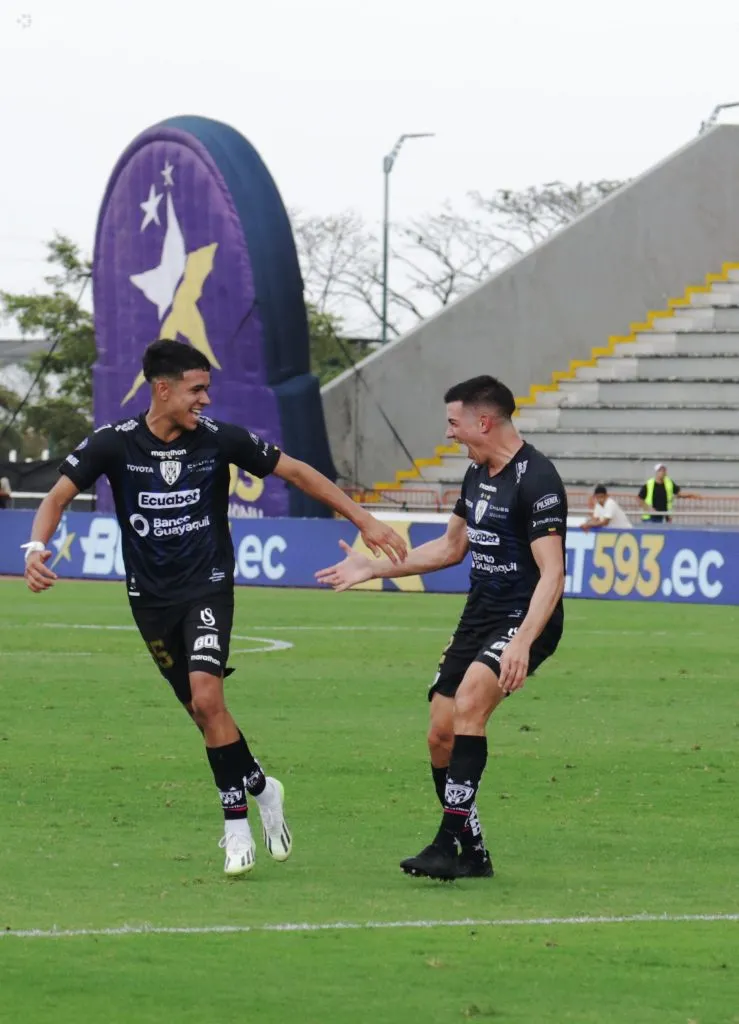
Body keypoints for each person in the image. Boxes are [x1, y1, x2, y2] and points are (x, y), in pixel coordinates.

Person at [22, 339, 407, 878]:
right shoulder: (113, 443)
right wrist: (36, 549)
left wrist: (363, 520)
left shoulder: (219, 439)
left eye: (207, 389)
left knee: (208, 697)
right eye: (196, 389)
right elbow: (56, 497)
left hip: (206, 590)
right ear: (163, 389)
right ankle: (261, 787)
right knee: (205, 716)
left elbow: (296, 472)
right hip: (148, 602)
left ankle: (234, 826)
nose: (205, 399)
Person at [316, 375, 566, 881]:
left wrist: (522, 641)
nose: (448, 433)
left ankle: (444, 843)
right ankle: (473, 853)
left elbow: (554, 572)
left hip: (526, 617)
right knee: (439, 733)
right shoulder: (476, 476)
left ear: (483, 421)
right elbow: (451, 549)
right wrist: (373, 568)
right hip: (480, 615)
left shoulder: (536, 479)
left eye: (454, 423)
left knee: (471, 703)